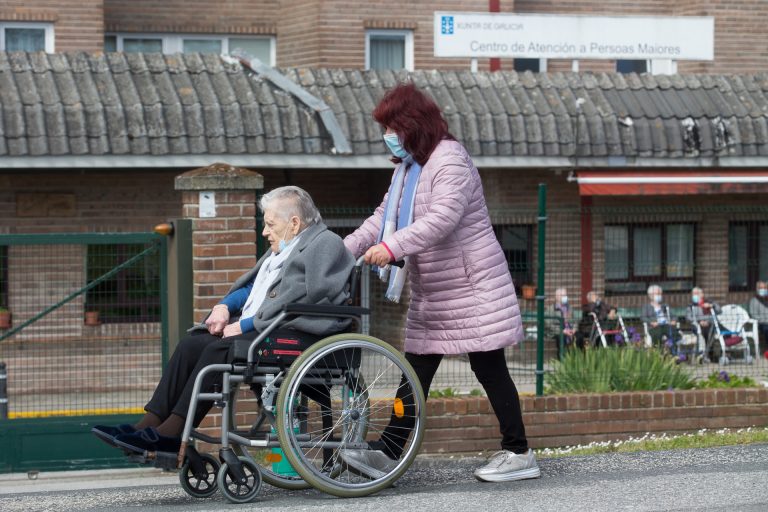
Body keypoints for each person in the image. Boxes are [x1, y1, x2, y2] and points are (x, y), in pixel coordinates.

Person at [339, 83, 539, 483]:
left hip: (472, 286)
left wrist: (391, 248)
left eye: (392, 127)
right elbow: (383, 216)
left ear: (412, 124)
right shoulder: (408, 168)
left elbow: (441, 220)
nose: (388, 137)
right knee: (415, 371)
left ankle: (519, 453)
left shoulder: (450, 161)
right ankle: (390, 450)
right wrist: (340, 252)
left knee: (489, 367)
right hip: (435, 290)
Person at [91, 186, 354, 453]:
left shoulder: (325, 243)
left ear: (294, 223)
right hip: (268, 329)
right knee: (191, 345)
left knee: (219, 350)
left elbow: (309, 299)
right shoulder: (284, 249)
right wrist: (224, 307)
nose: (265, 232)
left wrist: (247, 324)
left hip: (298, 334)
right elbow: (254, 288)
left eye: (270, 224)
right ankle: (150, 423)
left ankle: (172, 433)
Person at [685, 286, 721, 358]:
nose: (695, 296)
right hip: (697, 326)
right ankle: (704, 355)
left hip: (710, 325)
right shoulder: (691, 306)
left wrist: (711, 306)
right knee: (702, 332)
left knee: (711, 331)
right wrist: (699, 321)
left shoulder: (708, 302)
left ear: (702, 294)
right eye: (694, 294)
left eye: (697, 294)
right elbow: (688, 318)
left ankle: (707, 355)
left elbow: (719, 311)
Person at [748, 281, 768, 353]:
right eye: (761, 288)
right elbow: (753, 315)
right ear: (757, 289)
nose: (763, 290)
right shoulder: (754, 301)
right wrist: (765, 320)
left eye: (764, 288)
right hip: (761, 324)